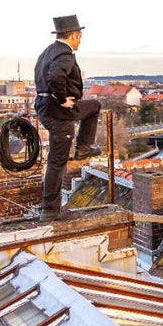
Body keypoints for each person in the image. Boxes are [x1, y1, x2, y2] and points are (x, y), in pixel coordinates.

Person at [34, 15, 102, 219]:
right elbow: (56, 76)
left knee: (94, 106)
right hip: (59, 111)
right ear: (73, 35)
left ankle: (83, 147)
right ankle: (50, 211)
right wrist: (62, 98)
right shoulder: (65, 54)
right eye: (79, 36)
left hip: (46, 107)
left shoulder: (48, 51)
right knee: (57, 162)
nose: (80, 40)